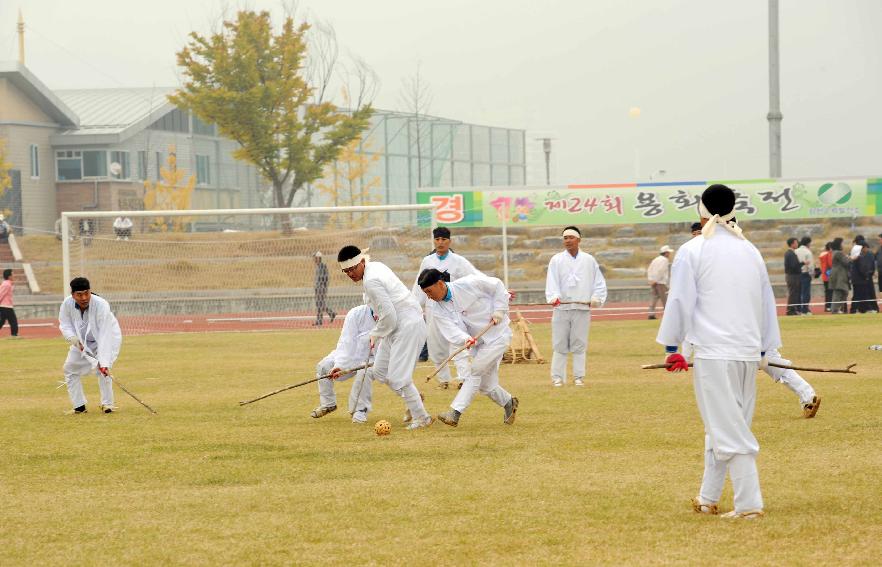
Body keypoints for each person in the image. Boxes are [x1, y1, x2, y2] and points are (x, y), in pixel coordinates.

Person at [658, 184, 780, 520]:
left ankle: (749, 504)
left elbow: (680, 300)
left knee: (728, 429)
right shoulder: (749, 249)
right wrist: (767, 348)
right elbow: (766, 302)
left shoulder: (693, 250)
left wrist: (672, 348)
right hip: (747, 352)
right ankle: (708, 497)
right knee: (722, 424)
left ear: (702, 210)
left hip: (714, 353)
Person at [336, 245, 433, 430]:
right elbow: (387, 316)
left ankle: (422, 418)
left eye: (352, 269)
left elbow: (389, 315)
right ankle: (413, 398)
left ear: (362, 262)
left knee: (398, 377)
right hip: (394, 327)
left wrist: (375, 333)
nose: (350, 274)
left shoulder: (371, 280)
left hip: (408, 325)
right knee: (380, 371)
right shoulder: (375, 267)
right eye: (346, 271)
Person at [419, 268, 518, 427]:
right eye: (425, 293)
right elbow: (450, 330)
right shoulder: (436, 308)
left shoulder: (468, 283)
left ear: (440, 284)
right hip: (478, 343)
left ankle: (454, 412)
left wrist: (499, 310)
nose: (428, 297)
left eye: (429, 291)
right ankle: (509, 402)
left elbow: (497, 285)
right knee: (487, 386)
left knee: (475, 370)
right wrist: (465, 338)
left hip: (498, 335)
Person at [412, 226, 479, 389]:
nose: (440, 242)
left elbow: (475, 278)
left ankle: (464, 379)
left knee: (458, 342)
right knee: (436, 346)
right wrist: (414, 305)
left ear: (450, 241)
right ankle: (443, 380)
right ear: (434, 241)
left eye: (443, 239)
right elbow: (418, 285)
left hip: (454, 306)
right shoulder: (427, 262)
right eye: (437, 239)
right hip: (433, 308)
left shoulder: (459, 261)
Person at [545, 225, 607, 387]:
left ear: (578, 240)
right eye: (565, 238)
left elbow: (598, 282)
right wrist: (554, 297)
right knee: (559, 344)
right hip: (562, 309)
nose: (568, 241)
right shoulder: (556, 260)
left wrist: (595, 298)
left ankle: (579, 377)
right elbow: (551, 281)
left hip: (581, 308)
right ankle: (557, 377)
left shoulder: (589, 260)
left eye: (571, 237)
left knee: (579, 344)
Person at [58, 277, 122, 414]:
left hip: (105, 339)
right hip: (81, 341)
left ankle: (108, 406)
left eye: (87, 293)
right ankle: (79, 407)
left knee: (102, 370)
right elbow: (64, 323)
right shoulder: (67, 303)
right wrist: (74, 339)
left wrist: (104, 362)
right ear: (73, 294)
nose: (84, 297)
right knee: (69, 369)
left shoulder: (101, 305)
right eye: (79, 294)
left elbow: (105, 334)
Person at [311, 303, 377, 423]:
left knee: (364, 373)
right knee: (323, 367)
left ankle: (359, 411)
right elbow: (345, 342)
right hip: (351, 354)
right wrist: (339, 365)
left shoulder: (390, 316)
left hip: (374, 358)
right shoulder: (355, 314)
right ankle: (328, 404)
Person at [646, 245, 673, 320]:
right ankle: (668, 315)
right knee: (665, 299)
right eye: (668, 252)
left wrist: (651, 280)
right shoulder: (664, 260)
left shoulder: (655, 259)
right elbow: (661, 271)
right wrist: (656, 280)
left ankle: (651, 314)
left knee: (654, 298)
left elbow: (649, 269)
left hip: (654, 282)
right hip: (660, 282)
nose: (669, 254)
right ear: (666, 253)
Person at [851, 242, 878, 313]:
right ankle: (860, 309)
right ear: (862, 248)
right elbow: (862, 268)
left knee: (858, 295)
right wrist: (866, 276)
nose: (867, 249)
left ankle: (861, 309)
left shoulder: (855, 257)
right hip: (861, 280)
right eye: (866, 248)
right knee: (862, 295)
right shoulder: (860, 257)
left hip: (856, 279)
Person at [312, 251, 336, 326]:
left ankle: (320, 320)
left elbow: (324, 278)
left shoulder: (322, 266)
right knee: (320, 304)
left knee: (320, 304)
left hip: (321, 288)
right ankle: (331, 314)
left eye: (315, 258)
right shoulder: (319, 266)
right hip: (318, 288)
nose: (314, 260)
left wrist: (322, 287)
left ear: (319, 258)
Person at [829, 238, 850, 314]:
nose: (843, 245)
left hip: (837, 275)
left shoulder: (835, 252)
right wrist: (852, 258)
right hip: (839, 276)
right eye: (842, 243)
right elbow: (846, 262)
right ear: (839, 245)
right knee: (839, 292)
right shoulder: (838, 253)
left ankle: (836, 309)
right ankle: (835, 310)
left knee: (843, 292)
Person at [795, 236, 814, 314]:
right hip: (805, 274)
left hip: (797, 274)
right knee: (806, 293)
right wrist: (812, 273)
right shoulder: (808, 252)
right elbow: (810, 265)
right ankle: (805, 310)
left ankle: (798, 309)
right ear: (808, 243)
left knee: (798, 292)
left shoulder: (795, 251)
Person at [783, 237, 801, 316]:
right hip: (792, 276)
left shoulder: (791, 253)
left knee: (794, 293)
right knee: (793, 293)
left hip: (792, 275)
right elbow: (793, 265)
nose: (797, 244)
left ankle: (793, 309)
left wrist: (802, 263)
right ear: (792, 244)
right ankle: (790, 310)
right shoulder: (790, 253)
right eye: (796, 242)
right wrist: (800, 265)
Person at [0, 269, 19, 338]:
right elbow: (0, 294)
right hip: (6, 306)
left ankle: (14, 334)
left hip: (5, 306)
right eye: (12, 274)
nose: (14, 276)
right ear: (9, 276)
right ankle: (14, 335)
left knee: (1, 322)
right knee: (13, 321)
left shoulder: (7, 284)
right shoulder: (6, 284)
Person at [818, 242, 833, 312]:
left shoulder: (822, 254)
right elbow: (830, 264)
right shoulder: (828, 254)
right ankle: (829, 306)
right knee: (830, 292)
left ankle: (827, 306)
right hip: (829, 275)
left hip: (824, 275)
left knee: (827, 292)